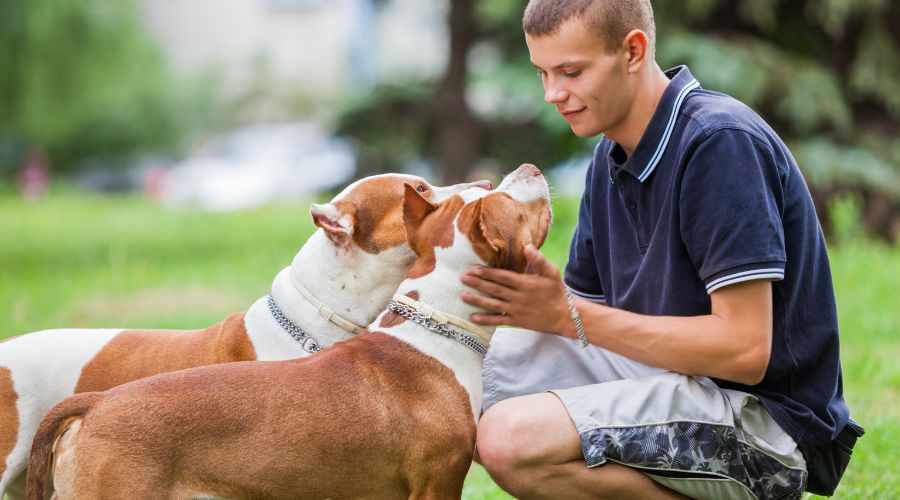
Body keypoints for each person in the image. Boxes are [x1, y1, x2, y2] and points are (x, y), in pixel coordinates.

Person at [460, 1, 856, 498]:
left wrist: (567, 315)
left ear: (633, 51)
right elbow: (589, 323)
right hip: (664, 378)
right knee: (459, 374)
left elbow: (745, 350)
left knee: (509, 437)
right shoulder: (608, 157)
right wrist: (528, 300)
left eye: (571, 72)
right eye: (543, 72)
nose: (552, 93)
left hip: (765, 427)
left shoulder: (719, 143)